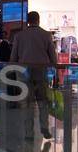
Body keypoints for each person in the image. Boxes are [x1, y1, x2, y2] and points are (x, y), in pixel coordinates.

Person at [10, 11, 58, 142]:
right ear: (38, 20)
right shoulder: (46, 35)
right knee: (43, 103)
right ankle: (44, 128)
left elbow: (13, 57)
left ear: (28, 21)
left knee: (27, 104)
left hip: (24, 74)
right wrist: (55, 71)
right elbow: (53, 58)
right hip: (42, 74)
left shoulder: (19, 36)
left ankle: (28, 132)